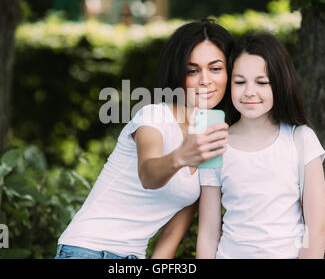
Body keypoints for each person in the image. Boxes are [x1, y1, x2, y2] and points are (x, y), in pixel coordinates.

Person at [55, 19, 234, 259]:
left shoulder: (212, 139)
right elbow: (148, 174)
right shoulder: (154, 116)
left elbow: (173, 231)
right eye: (193, 70)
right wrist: (181, 155)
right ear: (178, 75)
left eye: (215, 68)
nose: (205, 80)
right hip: (87, 249)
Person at [196, 33, 325, 259]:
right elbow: (208, 232)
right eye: (239, 82)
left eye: (262, 82)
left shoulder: (302, 139)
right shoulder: (215, 141)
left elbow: (316, 229)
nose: (249, 92)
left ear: (279, 83)